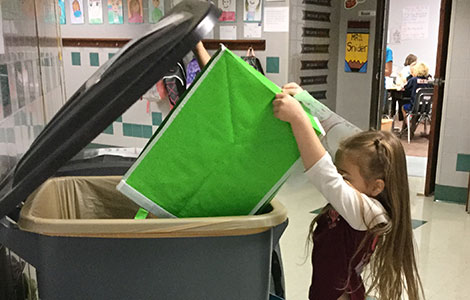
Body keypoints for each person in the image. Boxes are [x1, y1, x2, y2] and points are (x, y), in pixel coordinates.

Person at [272, 83, 424, 300]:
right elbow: (339, 132)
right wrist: (307, 101)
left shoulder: (370, 212)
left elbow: (325, 176)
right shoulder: (366, 202)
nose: (339, 181)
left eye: (345, 177)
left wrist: (299, 119)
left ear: (376, 186)